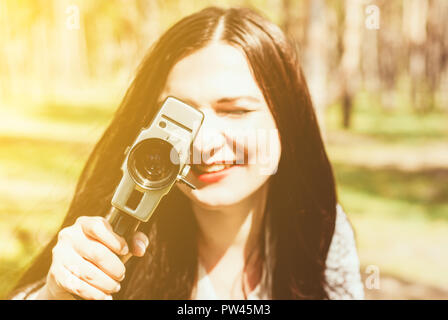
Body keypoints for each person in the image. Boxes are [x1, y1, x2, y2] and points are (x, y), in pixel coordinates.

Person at [9, 6, 364, 300]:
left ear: (285, 121)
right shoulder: (111, 234)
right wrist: (54, 293)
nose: (202, 144)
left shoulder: (318, 228)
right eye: (178, 114)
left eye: (236, 111)